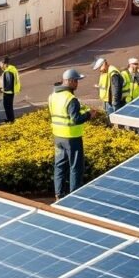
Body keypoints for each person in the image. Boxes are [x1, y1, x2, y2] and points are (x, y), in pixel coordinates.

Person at [49, 69, 92, 199]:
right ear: (70, 81)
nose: (77, 84)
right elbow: (76, 119)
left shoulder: (52, 96)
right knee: (75, 167)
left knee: (59, 165)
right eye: (76, 81)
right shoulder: (71, 99)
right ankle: (74, 195)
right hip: (72, 138)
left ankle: (58, 194)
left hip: (58, 137)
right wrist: (89, 115)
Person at [0, 56, 21, 123]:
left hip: (8, 92)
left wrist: (2, 90)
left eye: (1, 64)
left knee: (7, 106)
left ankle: (11, 120)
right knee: (9, 106)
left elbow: (9, 84)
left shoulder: (8, 71)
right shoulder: (12, 68)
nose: (0, 66)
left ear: (4, 64)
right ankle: (10, 119)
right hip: (11, 91)